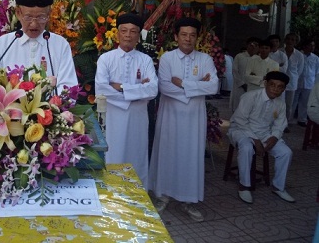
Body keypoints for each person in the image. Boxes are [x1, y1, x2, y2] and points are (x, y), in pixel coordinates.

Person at [148, 17, 219, 222]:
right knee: (168, 153)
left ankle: (188, 201)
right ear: (176, 36)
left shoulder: (205, 59)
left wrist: (183, 83)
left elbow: (213, 86)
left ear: (197, 37)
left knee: (191, 155)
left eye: (192, 35)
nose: (188, 39)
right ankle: (163, 196)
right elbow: (165, 87)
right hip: (170, 116)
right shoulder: (168, 59)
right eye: (184, 34)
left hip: (194, 117)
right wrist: (196, 86)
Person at [95, 13, 158, 187]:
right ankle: (112, 194)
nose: (128, 35)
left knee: (137, 154)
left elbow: (153, 89)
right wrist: (137, 91)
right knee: (114, 154)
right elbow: (101, 88)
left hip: (138, 117)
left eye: (133, 31)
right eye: (124, 31)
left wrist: (121, 87)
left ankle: (138, 196)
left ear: (138, 36)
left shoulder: (145, 60)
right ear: (117, 34)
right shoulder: (106, 59)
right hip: (113, 116)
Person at [0, 0, 78, 90]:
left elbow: (68, 86)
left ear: (49, 15)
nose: (34, 24)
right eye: (28, 17)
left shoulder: (60, 44)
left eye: (41, 17)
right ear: (18, 13)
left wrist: (52, 104)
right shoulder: (2, 44)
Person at [227, 71, 295, 204]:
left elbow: (280, 124)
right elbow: (240, 120)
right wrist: (255, 140)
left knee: (286, 153)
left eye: (280, 86)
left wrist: (274, 137)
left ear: (284, 89)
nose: (275, 89)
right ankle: (244, 186)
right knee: (247, 147)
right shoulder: (250, 96)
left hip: (264, 133)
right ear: (265, 84)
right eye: (272, 85)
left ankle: (278, 187)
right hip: (241, 129)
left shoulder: (280, 103)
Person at [292, 38, 319, 127]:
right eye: (310, 45)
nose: (312, 47)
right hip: (297, 82)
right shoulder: (298, 55)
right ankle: (289, 119)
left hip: (309, 83)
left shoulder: (316, 58)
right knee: (293, 101)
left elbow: (317, 72)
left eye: (313, 45)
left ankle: (302, 119)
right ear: (305, 46)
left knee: (305, 102)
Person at [230, 37, 260, 111]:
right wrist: (242, 84)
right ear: (247, 45)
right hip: (239, 87)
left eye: (256, 45)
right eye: (251, 45)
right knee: (238, 108)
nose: (253, 47)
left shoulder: (259, 59)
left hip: (253, 88)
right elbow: (234, 71)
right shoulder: (239, 56)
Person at [282, 33, 305, 125]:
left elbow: (299, 70)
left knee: (288, 105)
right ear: (285, 40)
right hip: (278, 82)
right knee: (277, 103)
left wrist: (293, 78)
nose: (290, 41)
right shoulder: (280, 52)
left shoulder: (299, 55)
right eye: (288, 39)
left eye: (293, 40)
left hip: (291, 83)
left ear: (296, 42)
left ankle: (285, 123)